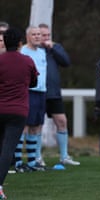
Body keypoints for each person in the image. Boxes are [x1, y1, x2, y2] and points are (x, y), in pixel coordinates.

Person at [0, 27, 39, 199]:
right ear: (19, 43)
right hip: (18, 110)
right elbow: (33, 83)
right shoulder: (27, 61)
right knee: (7, 149)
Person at [38, 23, 80, 166]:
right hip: (38, 92)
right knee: (36, 125)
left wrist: (53, 47)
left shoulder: (55, 48)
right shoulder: (32, 50)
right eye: (43, 35)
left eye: (48, 35)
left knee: (62, 122)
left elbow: (66, 62)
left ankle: (64, 156)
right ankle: (37, 157)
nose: (46, 38)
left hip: (54, 93)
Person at [14, 26, 47, 172]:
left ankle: (33, 161)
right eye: (34, 34)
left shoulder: (42, 52)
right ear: (28, 37)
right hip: (29, 92)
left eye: (39, 34)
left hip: (41, 92)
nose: (37, 37)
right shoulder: (23, 52)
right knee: (24, 126)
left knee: (36, 126)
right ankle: (18, 161)